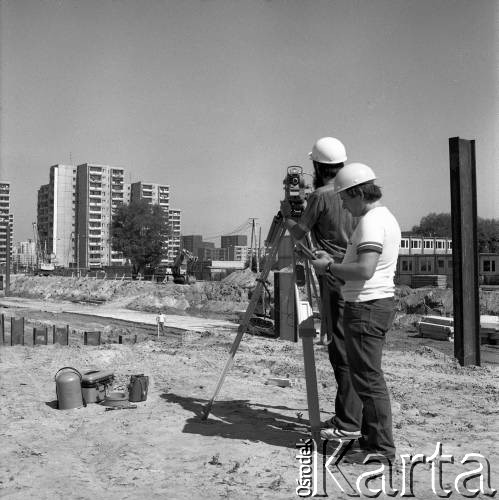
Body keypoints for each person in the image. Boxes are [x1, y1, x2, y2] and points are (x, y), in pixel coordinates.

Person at [311, 162, 401, 462]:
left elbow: (364, 269)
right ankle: (371, 441)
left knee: (368, 380)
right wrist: (332, 262)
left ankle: (380, 449)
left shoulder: (371, 222)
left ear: (358, 193)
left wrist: (329, 267)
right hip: (372, 304)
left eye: (346, 200)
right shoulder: (384, 217)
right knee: (366, 378)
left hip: (366, 308)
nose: (345, 209)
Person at [279, 136, 359, 438]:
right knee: (350, 346)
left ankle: (349, 422)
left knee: (340, 349)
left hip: (333, 275)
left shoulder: (321, 197)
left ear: (316, 166)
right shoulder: (353, 192)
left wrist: (288, 215)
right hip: (355, 273)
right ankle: (347, 416)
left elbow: (299, 233)